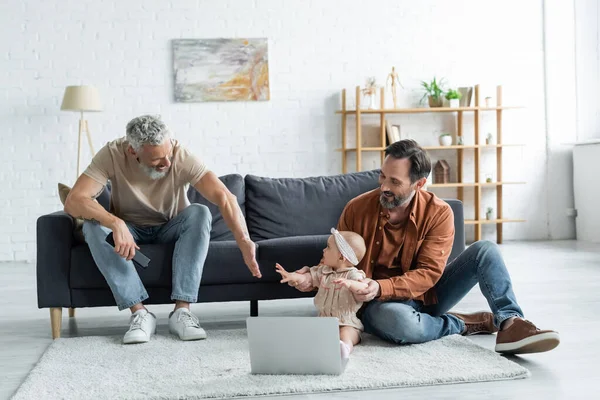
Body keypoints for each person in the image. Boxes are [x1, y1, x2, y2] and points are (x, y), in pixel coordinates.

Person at [291, 139, 560, 355]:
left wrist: (382, 285)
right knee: (398, 323)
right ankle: (459, 323)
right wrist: (314, 274)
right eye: (382, 176)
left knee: (486, 250)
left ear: (419, 184)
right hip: (375, 302)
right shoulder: (356, 208)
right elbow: (340, 260)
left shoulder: (439, 213)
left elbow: (430, 274)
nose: (384, 186)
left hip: (427, 295)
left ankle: (511, 322)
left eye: (395, 182)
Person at [64, 115, 261, 344]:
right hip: (131, 229)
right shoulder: (112, 154)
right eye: (158, 159)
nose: (167, 163)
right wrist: (116, 223)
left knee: (200, 212)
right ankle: (140, 314)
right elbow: (74, 201)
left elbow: (224, 197)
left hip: (171, 226)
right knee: (92, 226)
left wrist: (244, 241)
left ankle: (182, 312)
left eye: (168, 155)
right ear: (132, 152)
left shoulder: (180, 155)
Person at [275, 228, 367, 359]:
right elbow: (308, 278)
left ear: (341, 256)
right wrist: (292, 276)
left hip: (347, 321)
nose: (324, 250)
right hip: (324, 321)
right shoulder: (323, 272)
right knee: (310, 332)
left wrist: (350, 284)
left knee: (347, 333)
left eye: (328, 247)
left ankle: (345, 347)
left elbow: (363, 286)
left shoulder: (353, 274)